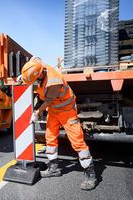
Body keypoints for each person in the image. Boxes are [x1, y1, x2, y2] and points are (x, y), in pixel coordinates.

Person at [18, 56, 97, 191]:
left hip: (66, 110)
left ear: (40, 74)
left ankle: (91, 174)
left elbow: (47, 101)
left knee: (77, 141)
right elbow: (34, 62)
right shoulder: (37, 66)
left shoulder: (53, 81)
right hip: (54, 110)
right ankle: (53, 168)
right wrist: (23, 78)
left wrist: (36, 113)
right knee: (50, 138)